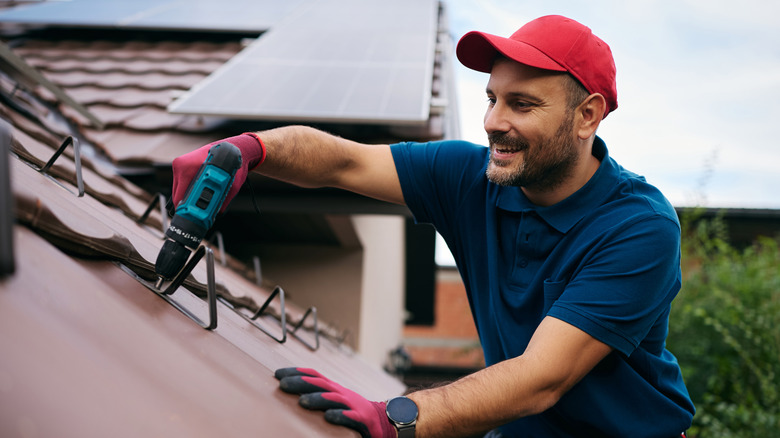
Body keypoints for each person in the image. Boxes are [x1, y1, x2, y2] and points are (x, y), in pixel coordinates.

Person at [171, 15, 694, 438]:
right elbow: (344, 163)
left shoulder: (638, 227)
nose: (492, 121)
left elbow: (541, 379)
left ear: (587, 116)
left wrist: (394, 416)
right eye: (493, 98)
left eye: (522, 104)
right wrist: (251, 150)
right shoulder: (470, 177)